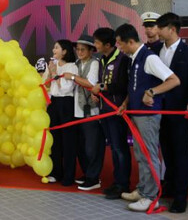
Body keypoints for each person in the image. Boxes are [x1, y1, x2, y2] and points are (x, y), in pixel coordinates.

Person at [114, 24, 180, 212]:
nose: (119, 48)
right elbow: (135, 86)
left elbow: (174, 80)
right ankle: (143, 190)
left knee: (149, 154)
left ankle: (152, 197)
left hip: (148, 116)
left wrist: (151, 91)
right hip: (136, 113)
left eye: (120, 44)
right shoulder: (134, 58)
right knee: (140, 154)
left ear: (131, 42)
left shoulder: (149, 57)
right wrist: (126, 103)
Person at [155, 13, 188, 213]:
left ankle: (180, 196)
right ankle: (169, 186)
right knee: (167, 151)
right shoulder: (154, 51)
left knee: (181, 154)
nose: (157, 31)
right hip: (159, 111)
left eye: (160, 27)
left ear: (172, 29)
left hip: (180, 112)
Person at [90, 28, 132, 199]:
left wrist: (102, 87)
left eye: (97, 42)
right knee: (114, 148)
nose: (95, 45)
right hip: (105, 110)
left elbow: (123, 85)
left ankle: (123, 185)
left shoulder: (123, 60)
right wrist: (96, 93)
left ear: (108, 44)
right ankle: (117, 182)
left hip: (117, 111)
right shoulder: (101, 59)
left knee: (120, 148)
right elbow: (101, 82)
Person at [62, 35, 105, 191]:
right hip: (77, 111)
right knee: (81, 146)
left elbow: (91, 84)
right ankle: (88, 174)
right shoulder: (77, 63)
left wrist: (73, 77)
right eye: (77, 49)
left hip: (91, 111)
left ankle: (94, 178)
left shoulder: (94, 64)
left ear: (91, 50)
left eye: (83, 49)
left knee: (92, 146)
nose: (79, 52)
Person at [47, 39, 78, 186]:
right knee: (55, 140)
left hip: (66, 103)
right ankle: (55, 172)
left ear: (64, 51)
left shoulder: (72, 67)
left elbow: (66, 88)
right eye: (54, 47)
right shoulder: (52, 65)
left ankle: (69, 175)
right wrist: (49, 72)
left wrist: (54, 73)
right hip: (53, 103)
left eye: (57, 47)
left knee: (69, 141)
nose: (54, 50)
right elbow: (46, 85)